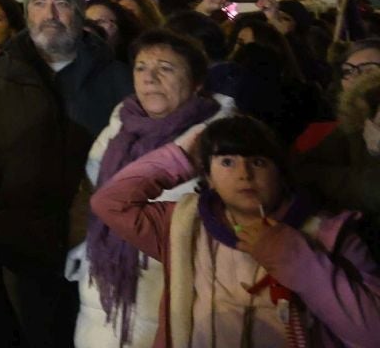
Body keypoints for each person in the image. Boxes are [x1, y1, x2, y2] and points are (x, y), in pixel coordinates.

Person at [91, 114, 380, 346]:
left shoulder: (330, 236)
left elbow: (372, 333)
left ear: (280, 173)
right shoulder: (183, 226)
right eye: (227, 161)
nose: (244, 173)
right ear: (207, 175)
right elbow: (110, 202)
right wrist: (179, 158)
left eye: (258, 161)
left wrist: (299, 261)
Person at [0, 0, 131, 348]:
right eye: (39, 4)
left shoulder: (118, 80)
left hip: (102, 248)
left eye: (63, 4)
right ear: (26, 15)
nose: (50, 15)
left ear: (79, 13)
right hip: (20, 251)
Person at [72, 29, 233, 348]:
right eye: (141, 67)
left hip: (170, 294)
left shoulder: (218, 141)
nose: (150, 77)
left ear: (197, 82)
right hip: (103, 292)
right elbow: (91, 196)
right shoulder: (118, 129)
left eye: (166, 68)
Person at [294, 58, 380, 218]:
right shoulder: (353, 131)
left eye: (370, 68)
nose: (358, 76)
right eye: (349, 70)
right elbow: (304, 171)